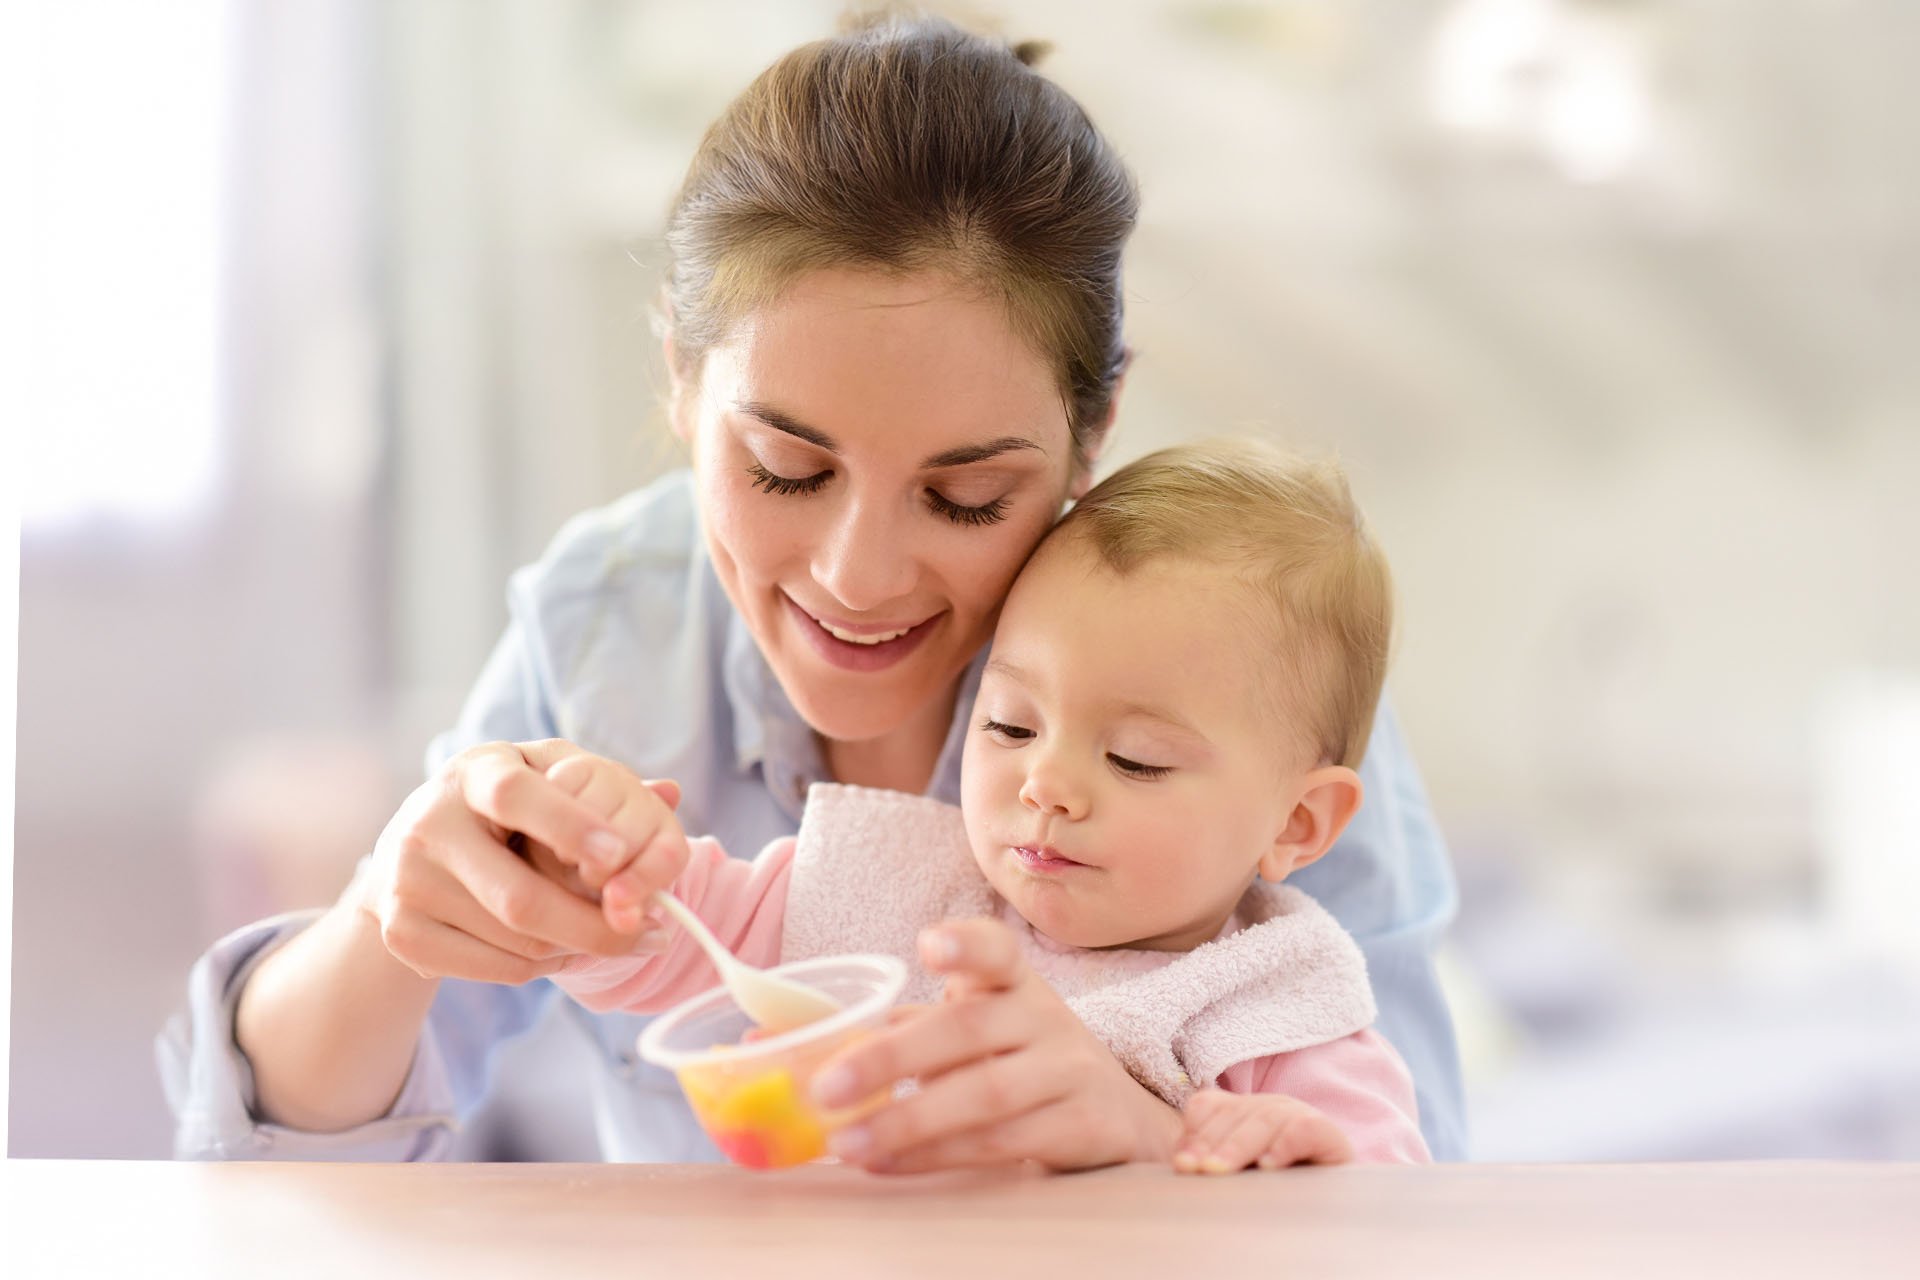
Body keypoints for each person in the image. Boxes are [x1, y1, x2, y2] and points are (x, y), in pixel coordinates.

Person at [159, 13, 1464, 1166]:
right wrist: (395, 914)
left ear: (1095, 425)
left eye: (966, 496)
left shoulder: (1229, 647)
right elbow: (271, 1165)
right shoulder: (611, 623)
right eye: (786, 469)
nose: (858, 576)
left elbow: (1405, 1192)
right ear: (679, 375)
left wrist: (1144, 1134)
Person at [547, 440, 1429, 1171]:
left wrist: (1244, 1167)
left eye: (1134, 759)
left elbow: (1390, 1231)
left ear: (1297, 824)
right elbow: (671, 940)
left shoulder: (1285, 1021)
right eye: (1009, 725)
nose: (1045, 785)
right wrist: (601, 869)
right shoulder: (892, 889)